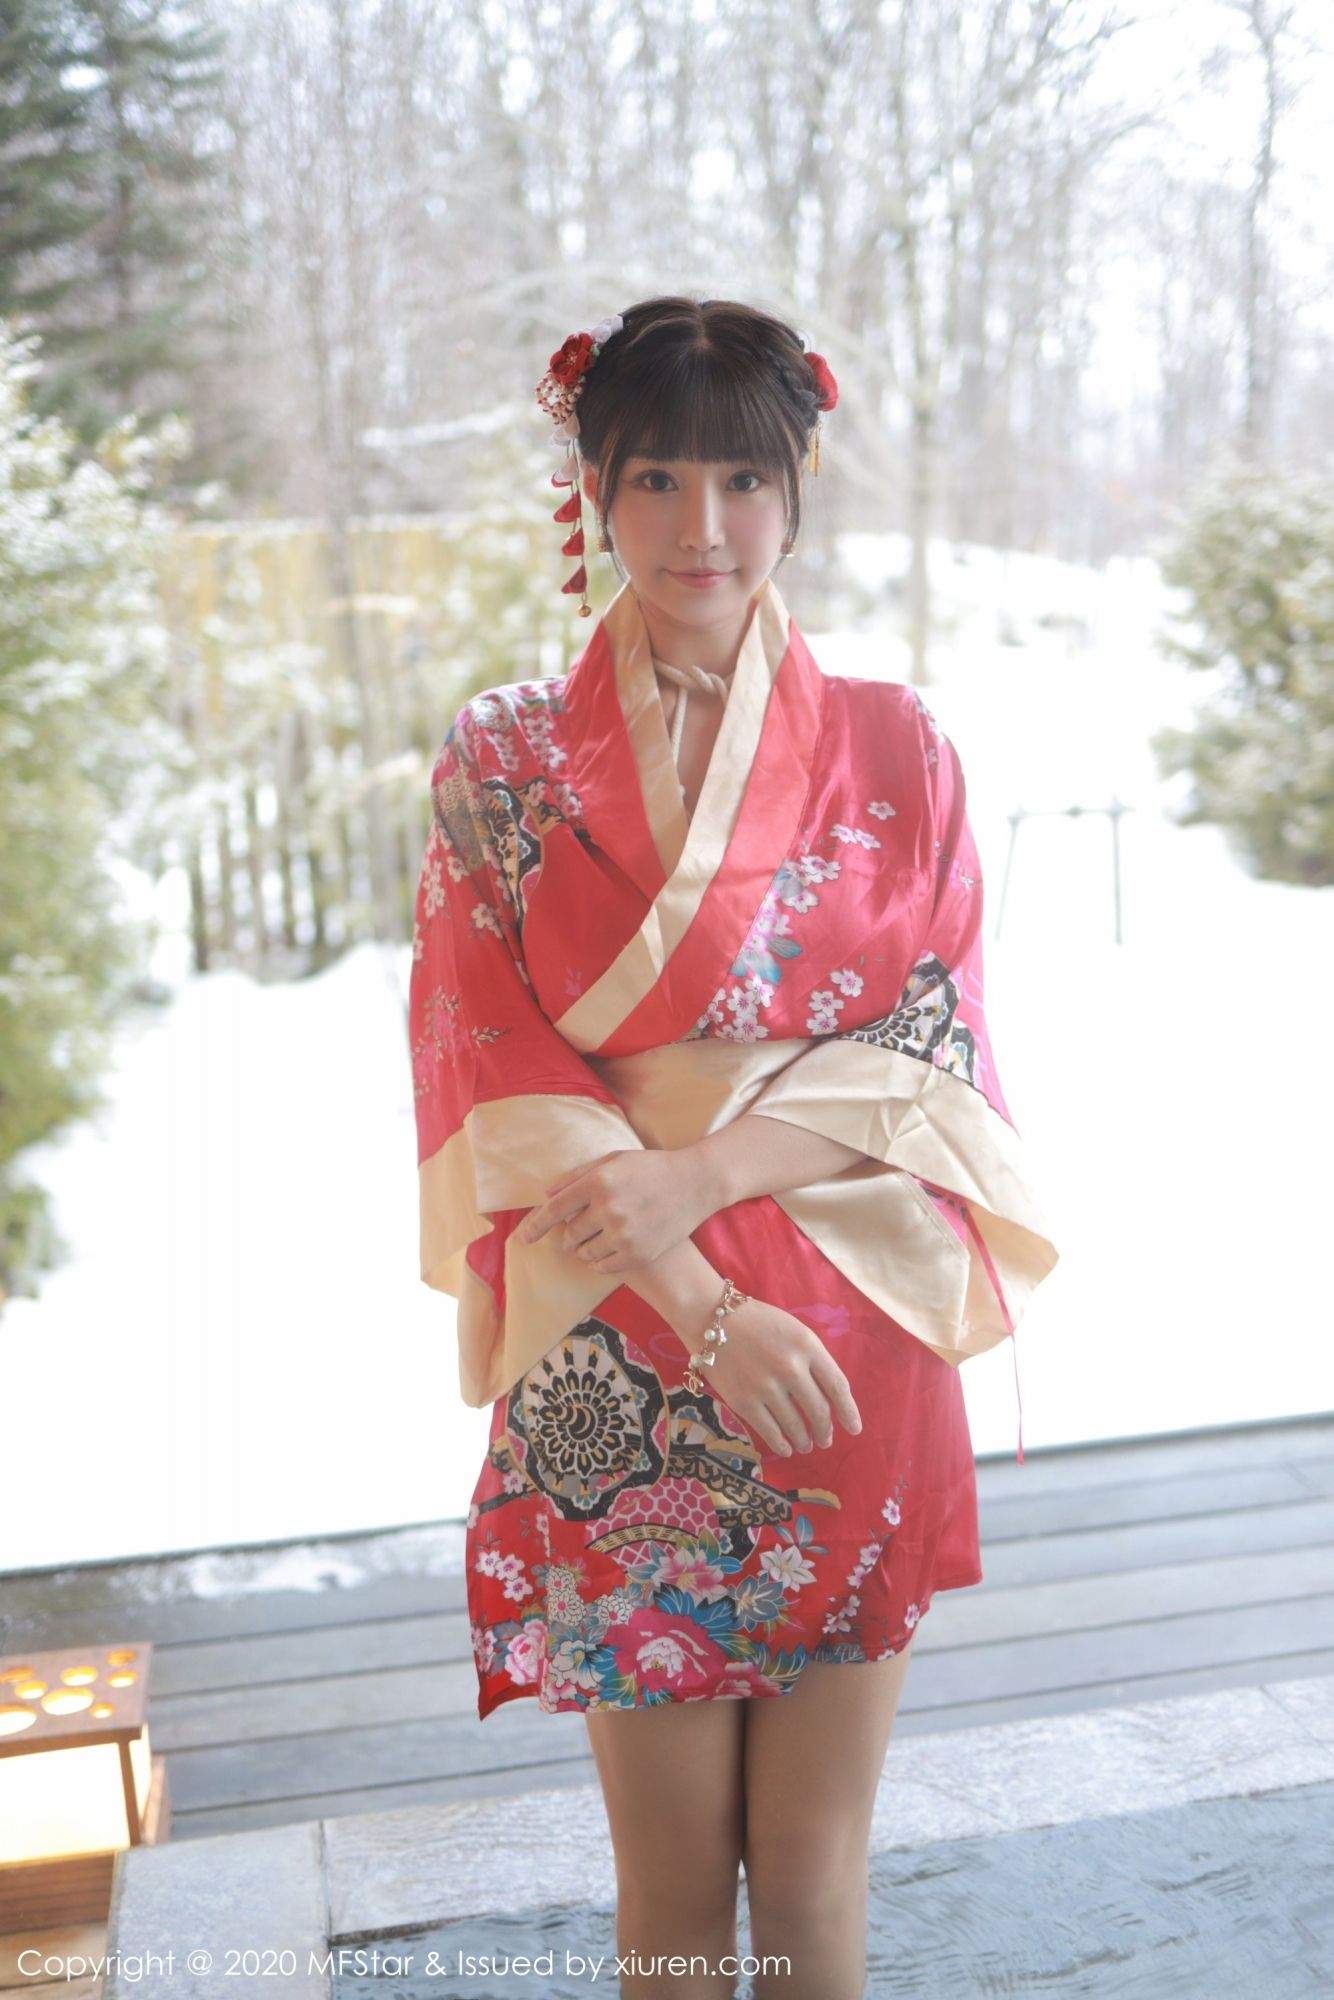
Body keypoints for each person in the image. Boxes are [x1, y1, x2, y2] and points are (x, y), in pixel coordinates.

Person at [408, 295, 1060, 2000]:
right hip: (618, 1327)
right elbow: (491, 1060)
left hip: (845, 1324)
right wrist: (702, 1308)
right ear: (592, 493)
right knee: (673, 1885)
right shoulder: (501, 760)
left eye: (743, 481)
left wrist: (699, 1174)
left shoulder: (897, 745)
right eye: (655, 480)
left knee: (820, 1874)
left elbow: (926, 1045)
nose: (702, 527)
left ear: (796, 494)